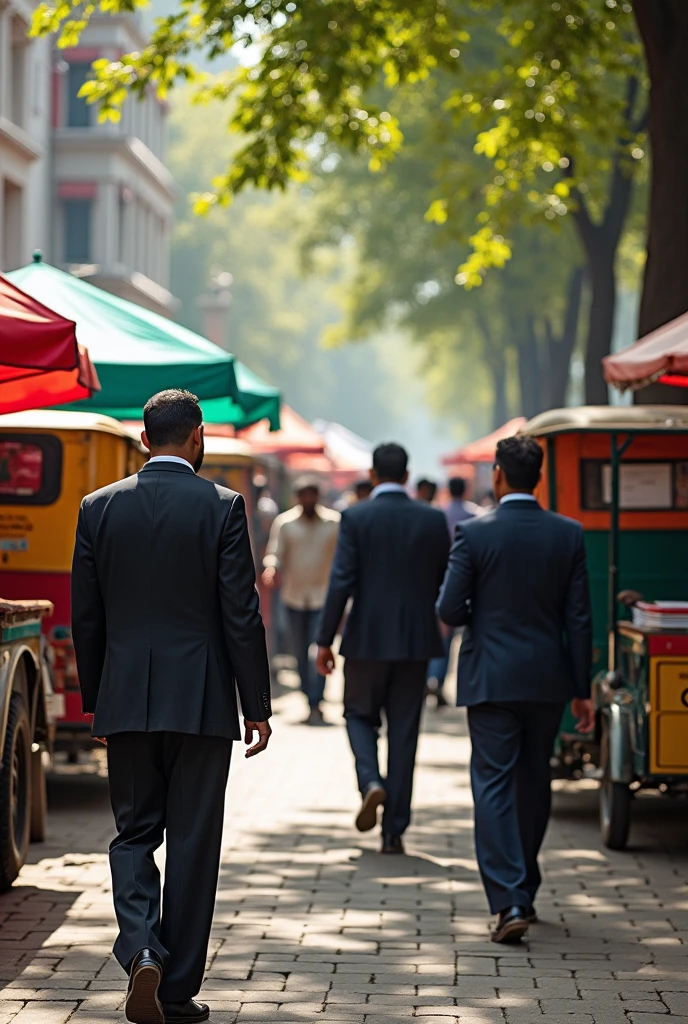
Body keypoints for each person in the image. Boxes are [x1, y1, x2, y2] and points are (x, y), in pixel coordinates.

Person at [71, 389, 272, 1024]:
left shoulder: (97, 508)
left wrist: (99, 700)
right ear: (198, 437)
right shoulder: (223, 507)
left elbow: (87, 618)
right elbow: (241, 613)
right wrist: (256, 704)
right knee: (192, 841)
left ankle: (141, 952)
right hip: (203, 700)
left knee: (133, 833)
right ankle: (177, 988)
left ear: (142, 439)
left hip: (126, 697)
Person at [437, 435, 593, 945]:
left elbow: (449, 609)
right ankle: (524, 884)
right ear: (539, 478)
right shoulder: (568, 533)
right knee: (534, 780)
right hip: (548, 677)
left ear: (498, 475)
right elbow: (579, 616)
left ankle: (509, 900)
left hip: (491, 679)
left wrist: (478, 613)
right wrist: (582, 687)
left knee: (493, 783)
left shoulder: (475, 533)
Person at [316, 444, 450, 853]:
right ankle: (394, 831)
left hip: (366, 639)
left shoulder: (355, 516)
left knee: (358, 715)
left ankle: (371, 780)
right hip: (415, 641)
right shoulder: (432, 518)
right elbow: (445, 577)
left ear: (373, 475)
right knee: (405, 733)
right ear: (407, 476)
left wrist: (324, 639)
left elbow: (342, 580)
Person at [263, 478, 340, 724]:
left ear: (318, 497)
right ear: (297, 498)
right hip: (294, 597)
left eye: (312, 495)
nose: (308, 500)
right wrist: (271, 569)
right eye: (303, 496)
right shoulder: (285, 523)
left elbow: (343, 558)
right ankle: (309, 697)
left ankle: (317, 701)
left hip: (323, 597)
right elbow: (274, 553)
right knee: (298, 652)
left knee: (318, 649)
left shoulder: (334, 523)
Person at [427, 477, 481, 708]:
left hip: (436, 580)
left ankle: (432, 678)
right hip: (466, 584)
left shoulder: (438, 514)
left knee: (438, 634)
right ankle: (437, 679)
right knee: (448, 637)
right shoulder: (476, 517)